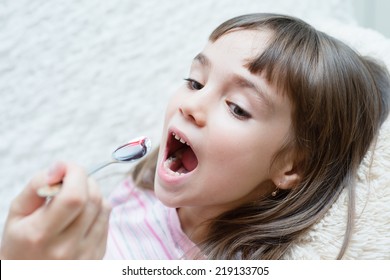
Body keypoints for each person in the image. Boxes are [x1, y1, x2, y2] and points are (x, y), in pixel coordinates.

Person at [1, 13, 389, 260]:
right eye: (195, 81)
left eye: (237, 107)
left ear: (293, 166)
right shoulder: (137, 194)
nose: (192, 105)